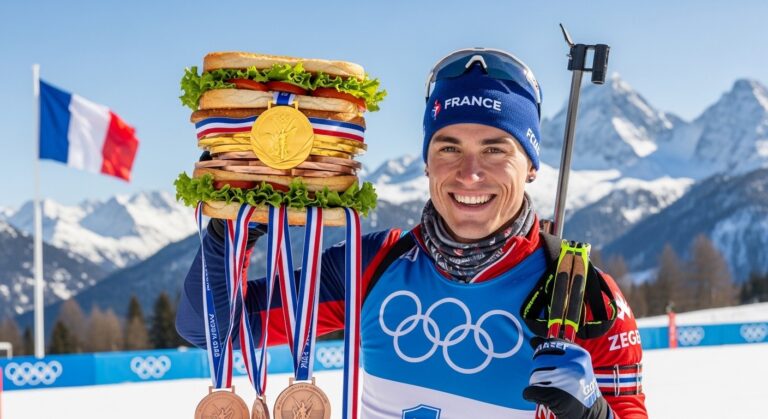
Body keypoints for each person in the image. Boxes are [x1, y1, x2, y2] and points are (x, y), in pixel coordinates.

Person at [177, 48, 648, 419]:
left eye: (495, 149)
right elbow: (211, 328)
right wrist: (236, 223)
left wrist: (594, 412)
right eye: (448, 147)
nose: (469, 173)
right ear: (426, 160)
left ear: (530, 166)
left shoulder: (582, 297)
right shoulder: (375, 264)